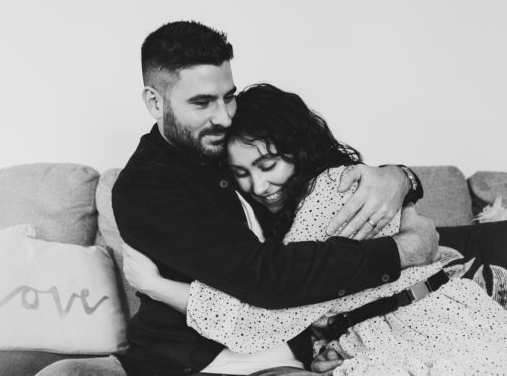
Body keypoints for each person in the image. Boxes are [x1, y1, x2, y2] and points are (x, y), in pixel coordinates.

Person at [36, 21, 502, 376]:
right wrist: (403, 250)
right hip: (207, 355)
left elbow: (314, 169)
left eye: (228, 97)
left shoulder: (226, 143)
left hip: (297, 338)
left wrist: (398, 177)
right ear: (155, 102)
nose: (222, 116)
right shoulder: (148, 188)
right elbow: (268, 279)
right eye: (202, 103)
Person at [122, 83, 507, 375]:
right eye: (241, 173)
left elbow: (267, 311)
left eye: (268, 164)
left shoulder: (332, 193)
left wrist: (159, 287)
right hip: (391, 331)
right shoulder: (281, 210)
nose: (259, 186)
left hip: (432, 331)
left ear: (298, 147)